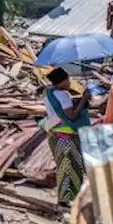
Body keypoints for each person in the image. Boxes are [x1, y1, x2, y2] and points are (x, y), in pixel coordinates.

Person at [43, 68, 91, 206]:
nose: (69, 82)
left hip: (54, 135)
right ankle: (69, 199)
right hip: (67, 136)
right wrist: (84, 99)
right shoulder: (62, 96)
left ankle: (65, 198)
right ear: (61, 81)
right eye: (67, 79)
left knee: (63, 167)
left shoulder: (48, 94)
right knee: (74, 167)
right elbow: (72, 116)